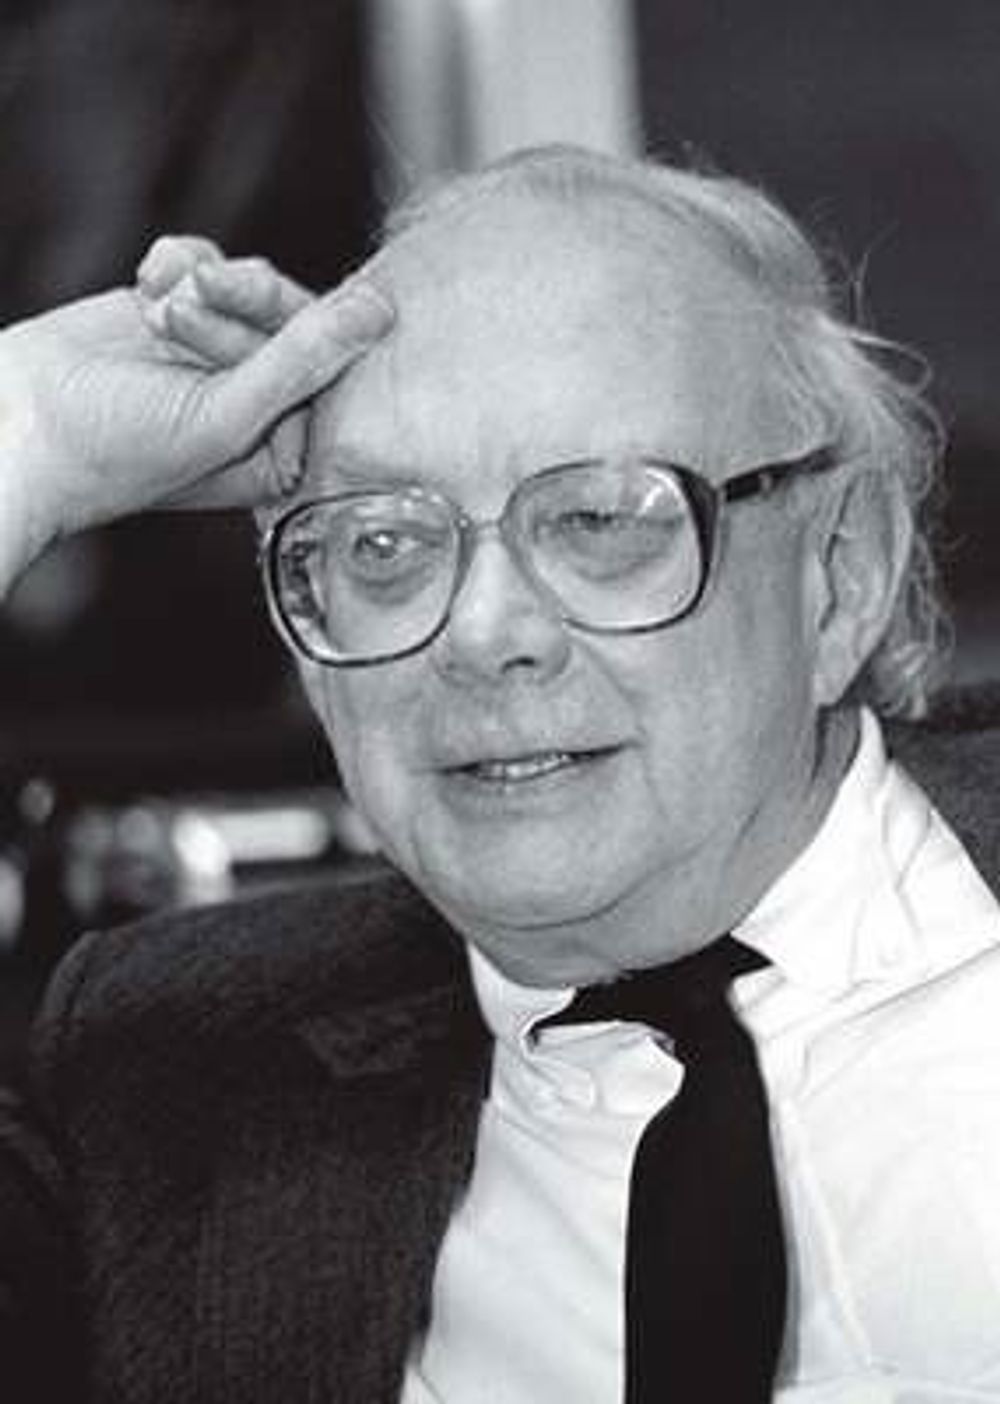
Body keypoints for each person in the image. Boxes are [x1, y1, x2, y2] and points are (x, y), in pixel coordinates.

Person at [2, 144, 999, 1403]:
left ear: (839, 577)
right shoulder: (167, 1077)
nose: (480, 635)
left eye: (598, 521)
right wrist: (19, 436)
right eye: (382, 543)